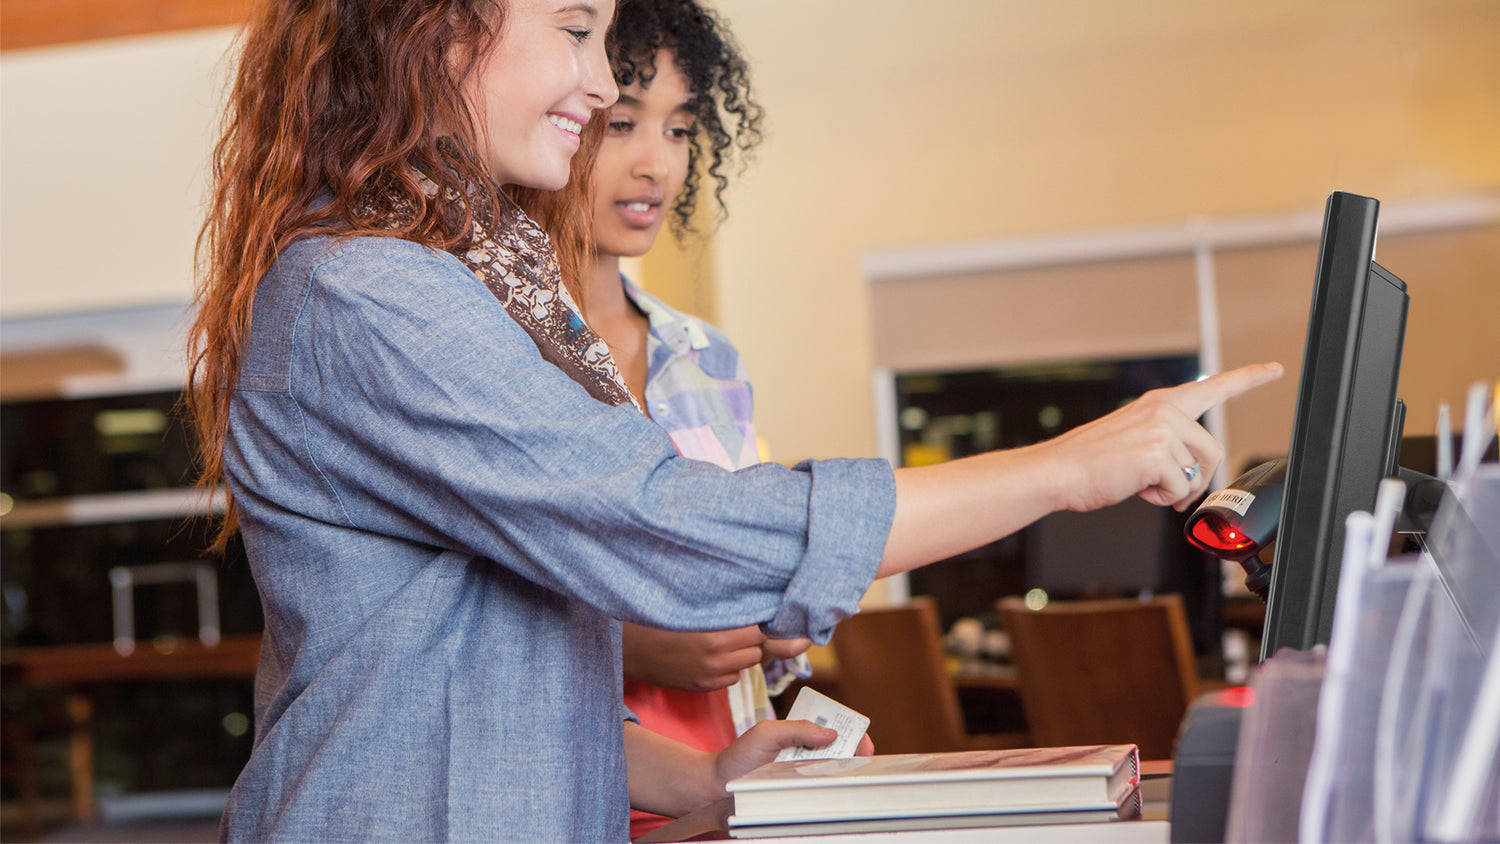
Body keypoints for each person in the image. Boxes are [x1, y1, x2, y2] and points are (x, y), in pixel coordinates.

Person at [186, 0, 1282, 839]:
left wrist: (700, 778)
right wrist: (1065, 469)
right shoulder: (367, 291)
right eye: (574, 29)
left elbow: (481, 668)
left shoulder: (479, 281)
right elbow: (665, 525)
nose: (599, 78)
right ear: (429, 30)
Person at [576, 2, 806, 837]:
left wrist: (775, 621)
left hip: (727, 765)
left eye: (678, 130)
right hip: (573, 773)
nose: (655, 165)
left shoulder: (709, 358)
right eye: (623, 123)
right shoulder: (495, 354)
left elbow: (739, 558)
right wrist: (639, 646)